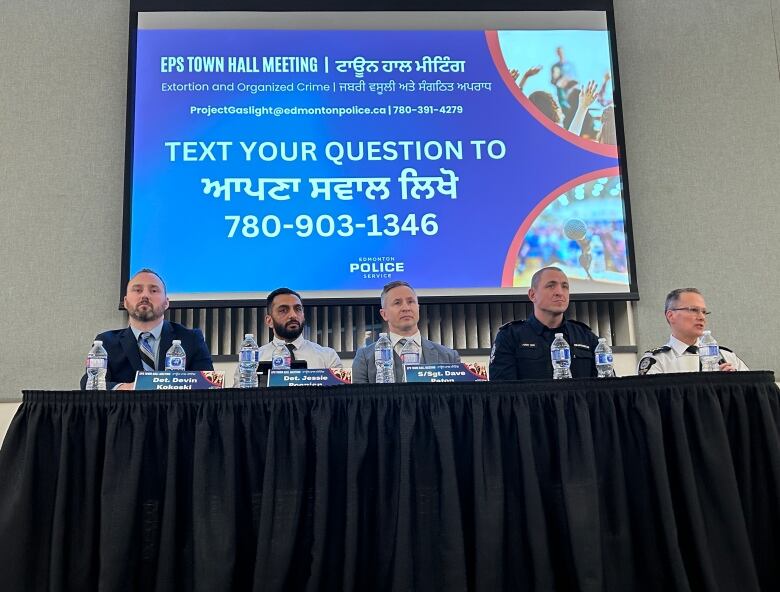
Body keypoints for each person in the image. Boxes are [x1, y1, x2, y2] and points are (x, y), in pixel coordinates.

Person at [80, 269, 213, 390]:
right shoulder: (106, 342)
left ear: (166, 302)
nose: (145, 296)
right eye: (137, 290)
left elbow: (209, 386)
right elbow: (91, 383)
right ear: (125, 302)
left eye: (153, 290)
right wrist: (131, 388)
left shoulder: (191, 339)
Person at [489, 267, 600, 380]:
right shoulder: (510, 337)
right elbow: (502, 392)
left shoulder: (586, 337)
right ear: (532, 295)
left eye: (565, 287)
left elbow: (605, 388)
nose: (559, 292)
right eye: (551, 286)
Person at [352, 281, 460, 383]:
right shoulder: (365, 358)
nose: (406, 308)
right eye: (397, 303)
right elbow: (359, 401)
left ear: (418, 308)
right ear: (384, 314)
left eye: (410, 302)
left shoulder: (449, 357)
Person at [637, 288, 749, 374]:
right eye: (694, 310)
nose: (701, 317)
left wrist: (735, 383)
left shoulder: (726, 357)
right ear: (671, 316)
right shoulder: (656, 361)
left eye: (704, 312)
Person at [257, 287, 342, 368]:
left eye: (298, 309)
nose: (293, 315)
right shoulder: (254, 359)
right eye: (283, 310)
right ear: (269, 321)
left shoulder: (328, 357)